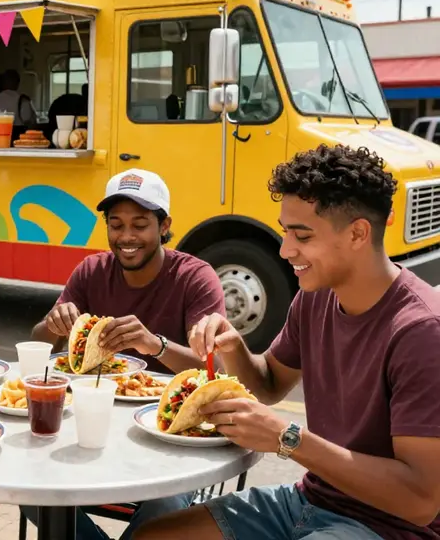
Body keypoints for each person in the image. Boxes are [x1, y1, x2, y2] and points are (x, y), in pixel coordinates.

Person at [134, 144, 440, 540]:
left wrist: (289, 439)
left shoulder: (422, 331)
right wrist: (234, 346)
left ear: (358, 233)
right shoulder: (315, 297)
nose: (284, 249)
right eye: (284, 231)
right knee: (153, 536)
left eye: (302, 235)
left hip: (386, 528)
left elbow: (419, 502)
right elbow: (268, 386)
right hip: (308, 502)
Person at [25, 168, 227, 540]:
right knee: (29, 489)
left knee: (165, 507)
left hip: (169, 434)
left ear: (164, 225)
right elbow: (39, 344)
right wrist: (53, 325)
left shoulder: (195, 278)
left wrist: (156, 345)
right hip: (91, 424)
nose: (126, 237)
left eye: (140, 224)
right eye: (116, 225)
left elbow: (217, 367)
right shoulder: (91, 271)